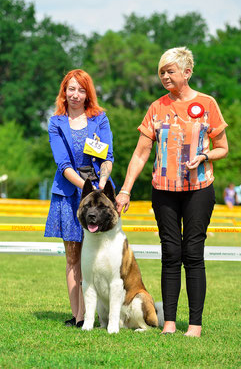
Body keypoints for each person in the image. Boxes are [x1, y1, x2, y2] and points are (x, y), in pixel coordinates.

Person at [116, 47, 228, 337]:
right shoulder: (156, 107)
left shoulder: (207, 104)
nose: (165, 76)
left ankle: (194, 325)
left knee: (193, 254)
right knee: (170, 254)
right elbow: (141, 153)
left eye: (170, 71)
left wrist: (205, 156)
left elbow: (223, 148)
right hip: (163, 191)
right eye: (161, 72)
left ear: (187, 72)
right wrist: (125, 190)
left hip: (199, 191)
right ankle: (169, 323)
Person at [44, 69, 114, 327]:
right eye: (70, 89)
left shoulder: (100, 119)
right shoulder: (56, 122)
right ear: (64, 91)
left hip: (99, 198)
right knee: (73, 257)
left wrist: (102, 183)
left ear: (88, 93)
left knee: (98, 257)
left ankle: (105, 313)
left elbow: (108, 158)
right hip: (68, 195)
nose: (75, 94)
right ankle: (79, 316)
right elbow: (63, 164)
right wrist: (87, 189)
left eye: (81, 90)